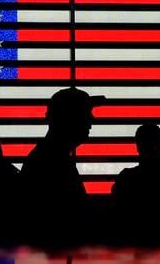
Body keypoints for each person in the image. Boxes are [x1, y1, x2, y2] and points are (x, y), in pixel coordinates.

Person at [18, 87, 105, 246]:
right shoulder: (51, 163)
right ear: (69, 118)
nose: (91, 120)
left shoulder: (51, 157)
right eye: (85, 113)